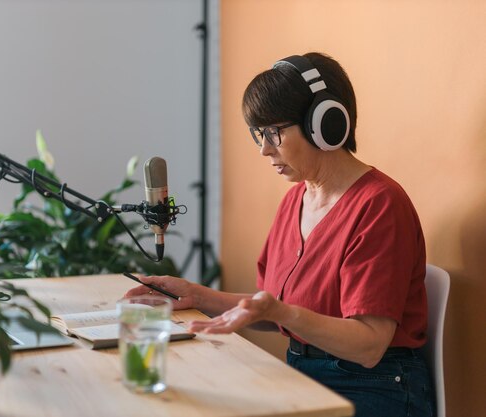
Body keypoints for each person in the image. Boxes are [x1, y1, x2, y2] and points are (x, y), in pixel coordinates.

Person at [125, 52, 435, 417]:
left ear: (325, 122)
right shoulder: (296, 200)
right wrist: (197, 295)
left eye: (274, 132)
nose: (263, 149)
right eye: (259, 134)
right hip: (304, 373)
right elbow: (274, 311)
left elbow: (368, 345)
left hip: (373, 386)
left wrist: (282, 312)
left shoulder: (380, 205)